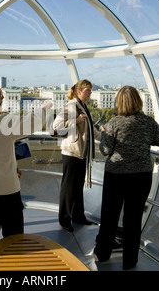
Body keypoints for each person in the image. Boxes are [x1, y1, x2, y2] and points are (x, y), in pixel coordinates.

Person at [0, 81, 51, 256]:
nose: (3, 98)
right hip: (6, 190)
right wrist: (45, 108)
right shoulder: (0, 122)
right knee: (13, 237)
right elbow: (32, 123)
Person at [94, 85, 159, 270]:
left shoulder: (114, 123)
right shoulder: (148, 122)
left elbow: (104, 151)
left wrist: (104, 134)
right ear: (138, 101)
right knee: (133, 219)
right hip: (141, 176)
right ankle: (130, 261)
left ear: (118, 102)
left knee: (110, 216)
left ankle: (103, 254)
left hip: (116, 175)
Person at [53, 79, 98, 232]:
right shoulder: (72, 105)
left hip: (81, 153)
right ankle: (64, 219)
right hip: (72, 152)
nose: (90, 92)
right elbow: (57, 126)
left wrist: (104, 136)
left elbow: (91, 129)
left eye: (91, 90)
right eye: (88, 90)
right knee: (69, 187)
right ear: (79, 92)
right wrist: (76, 120)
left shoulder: (83, 106)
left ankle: (78, 216)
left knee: (77, 187)